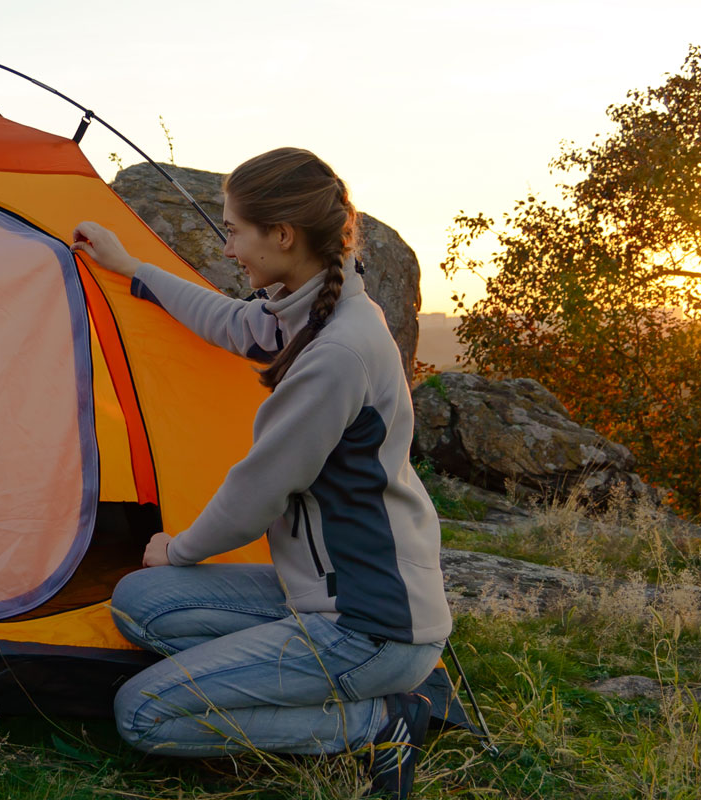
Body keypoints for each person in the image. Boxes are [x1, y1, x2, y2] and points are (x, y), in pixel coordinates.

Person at [71, 147, 452, 799]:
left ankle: (378, 721)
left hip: (369, 623)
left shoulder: (336, 352)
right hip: (328, 593)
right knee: (138, 602)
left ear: (282, 235)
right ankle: (319, 679)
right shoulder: (313, 313)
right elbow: (230, 322)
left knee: (144, 714)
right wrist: (132, 269)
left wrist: (179, 549)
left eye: (235, 230)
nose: (227, 248)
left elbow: (257, 493)